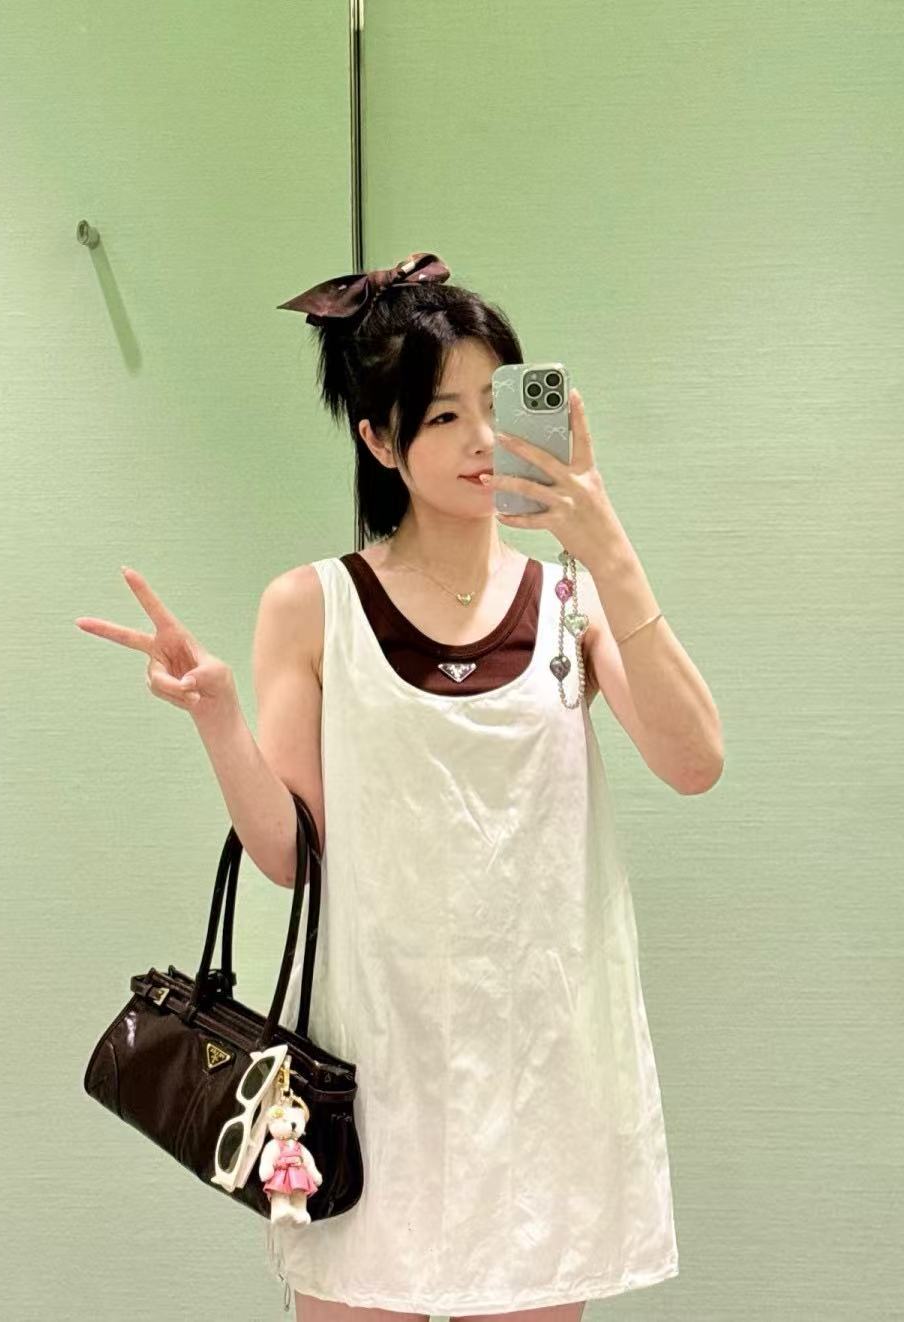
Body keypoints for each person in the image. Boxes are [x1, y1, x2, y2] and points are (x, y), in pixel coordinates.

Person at [76, 252, 706, 1321]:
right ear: (379, 438)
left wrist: (604, 544)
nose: (480, 438)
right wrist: (218, 715)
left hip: (543, 1072)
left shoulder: (571, 600)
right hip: (370, 1072)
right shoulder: (311, 606)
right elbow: (293, 855)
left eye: (495, 404)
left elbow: (694, 761)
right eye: (443, 414)